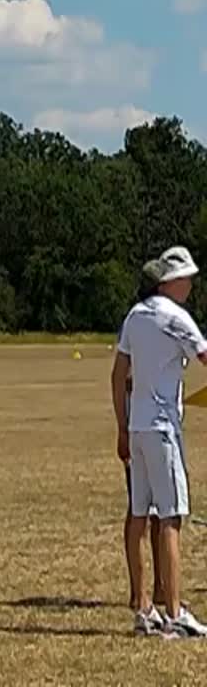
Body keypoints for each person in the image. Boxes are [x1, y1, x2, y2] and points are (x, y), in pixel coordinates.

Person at [112, 245, 207, 638]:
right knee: (171, 518)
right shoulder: (178, 318)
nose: (190, 285)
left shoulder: (135, 316)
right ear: (170, 282)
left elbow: (118, 375)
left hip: (136, 428)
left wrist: (122, 426)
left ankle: (143, 609)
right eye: (186, 278)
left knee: (138, 514)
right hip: (164, 429)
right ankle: (174, 613)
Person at [123, 259, 165, 625]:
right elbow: (124, 377)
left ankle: (160, 588)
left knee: (152, 513)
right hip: (148, 428)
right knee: (147, 511)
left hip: (143, 427)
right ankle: (142, 593)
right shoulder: (143, 322)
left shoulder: (138, 319)